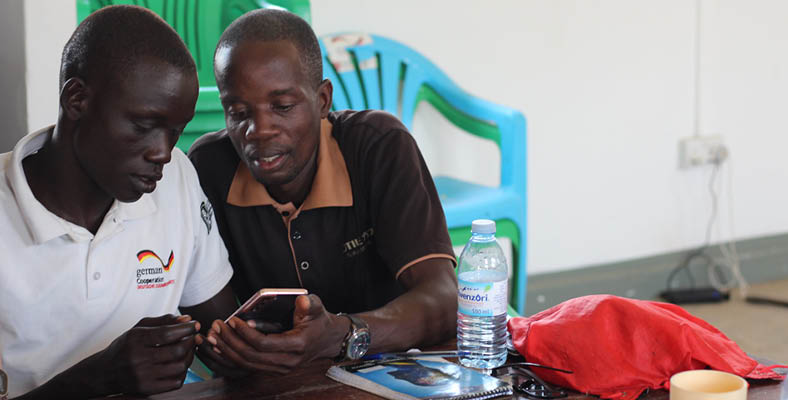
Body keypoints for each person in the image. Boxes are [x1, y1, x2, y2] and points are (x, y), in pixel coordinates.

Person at [188, 9, 458, 374]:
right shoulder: (210, 169)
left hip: (393, 367)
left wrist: (342, 334)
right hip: (280, 380)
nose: (258, 130)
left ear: (322, 101)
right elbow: (213, 331)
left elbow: (445, 299)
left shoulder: (378, 147)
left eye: (282, 107)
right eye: (237, 111)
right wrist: (240, 351)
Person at [0, 6, 238, 398]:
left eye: (174, 132)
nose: (163, 152)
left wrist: (260, 344)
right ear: (77, 99)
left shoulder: (175, 177)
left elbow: (219, 332)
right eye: (144, 127)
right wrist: (98, 379)